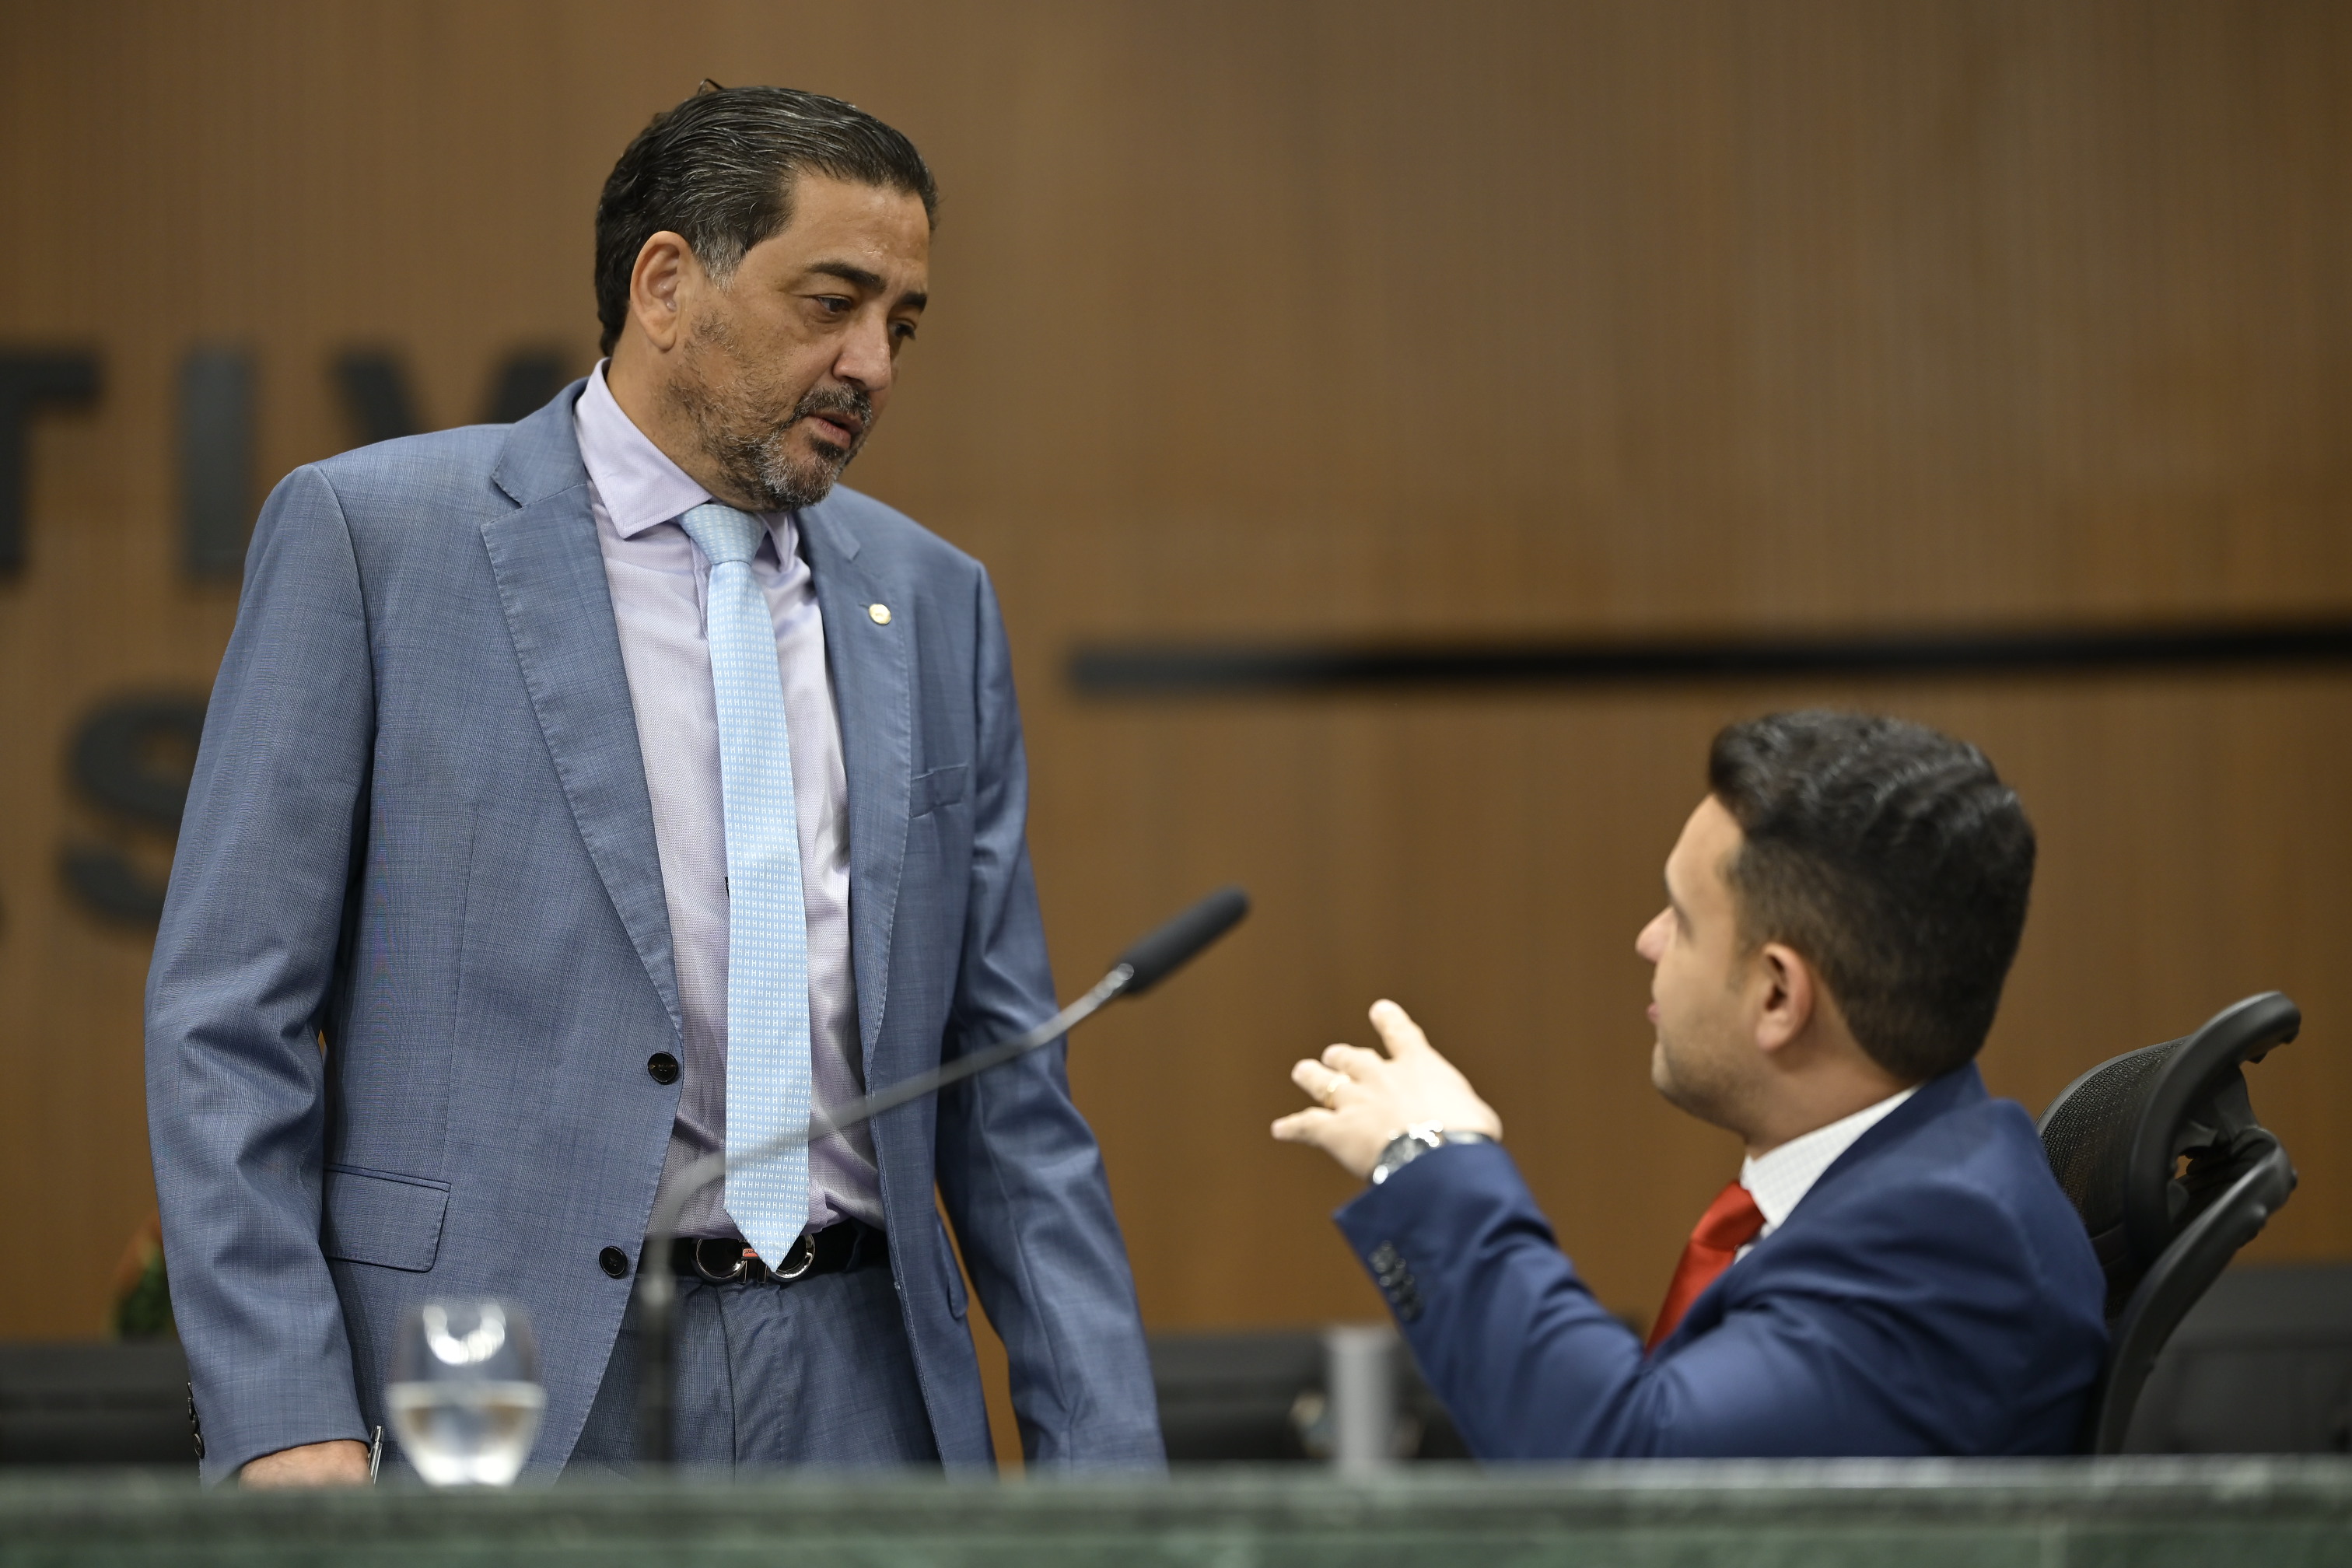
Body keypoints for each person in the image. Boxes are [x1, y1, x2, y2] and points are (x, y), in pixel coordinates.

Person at [147, 85, 1162, 1485]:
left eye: (902, 325)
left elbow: (1009, 1092)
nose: (871, 363)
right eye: (833, 304)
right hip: (502, 1383)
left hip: (864, 1391)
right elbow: (226, 1018)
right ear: (667, 284)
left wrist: (1108, 1471)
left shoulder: (933, 600)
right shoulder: (378, 541)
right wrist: (281, 1408)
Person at [1272, 710, 2107, 1457]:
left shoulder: (1948, 1240)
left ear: (1777, 995)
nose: (1648, 940)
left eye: (1681, 916)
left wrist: (1430, 1158)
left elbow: (1631, 1477)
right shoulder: (1915, 1184)